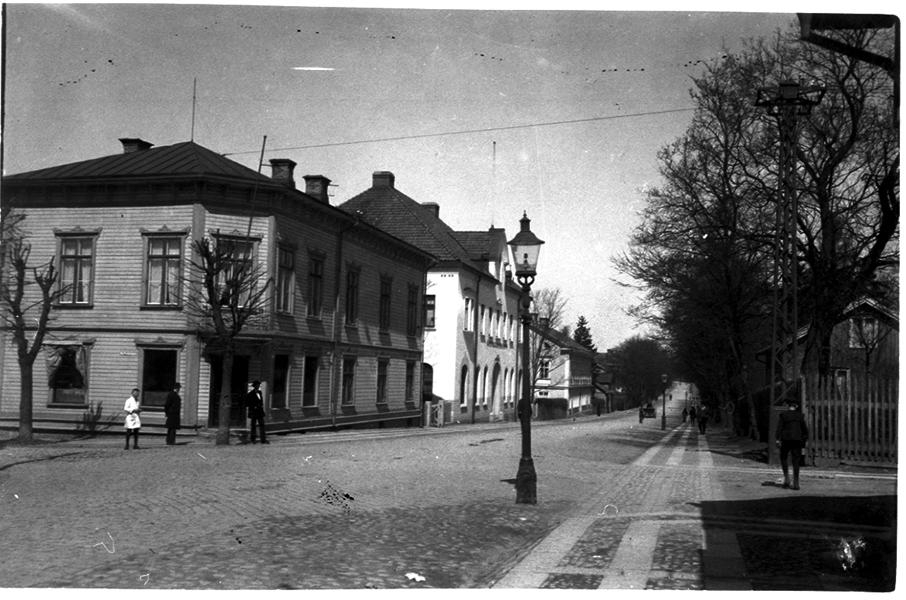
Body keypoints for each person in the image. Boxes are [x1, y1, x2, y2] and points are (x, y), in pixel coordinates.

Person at [776, 399, 809, 490]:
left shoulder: (783, 415)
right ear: (796, 406)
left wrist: (777, 439)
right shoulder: (800, 416)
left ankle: (787, 479)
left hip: (786, 439)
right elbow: (804, 430)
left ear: (788, 406)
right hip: (797, 440)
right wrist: (804, 440)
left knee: (783, 458)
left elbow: (779, 428)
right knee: (796, 461)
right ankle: (796, 482)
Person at [245, 380, 268, 444]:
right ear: (254, 386)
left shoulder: (259, 392)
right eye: (257, 385)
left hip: (260, 411)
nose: (258, 386)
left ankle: (263, 439)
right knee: (253, 425)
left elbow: (261, 401)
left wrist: (260, 405)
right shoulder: (250, 394)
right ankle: (253, 439)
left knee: (262, 425)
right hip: (253, 412)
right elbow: (247, 403)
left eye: (259, 385)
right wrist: (253, 406)